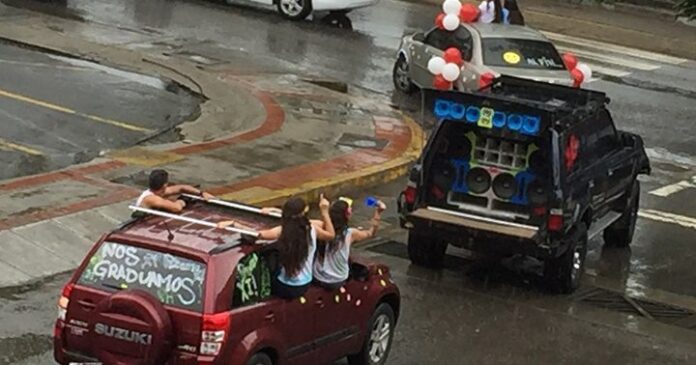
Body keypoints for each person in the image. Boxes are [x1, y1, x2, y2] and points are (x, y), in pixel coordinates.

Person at [217, 195, 335, 299]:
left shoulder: (281, 231)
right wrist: (324, 211)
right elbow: (330, 234)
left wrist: (234, 224)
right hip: (304, 285)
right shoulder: (313, 229)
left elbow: (257, 234)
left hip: (285, 287)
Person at [312, 197, 386, 290]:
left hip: (317, 276)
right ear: (347, 215)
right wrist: (378, 212)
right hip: (337, 280)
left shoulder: (320, 227)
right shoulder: (350, 234)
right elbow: (370, 233)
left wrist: (324, 211)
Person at [135, 169, 214, 213]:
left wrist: (202, 193)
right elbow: (176, 208)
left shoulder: (158, 191)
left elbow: (181, 188)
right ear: (164, 185)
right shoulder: (151, 199)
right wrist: (181, 201)